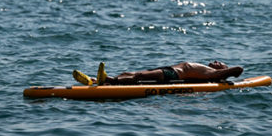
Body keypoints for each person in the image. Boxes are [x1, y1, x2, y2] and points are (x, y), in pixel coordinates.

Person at [72, 61, 243, 86]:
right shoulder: (209, 70)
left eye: (219, 62)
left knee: (139, 77)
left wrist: (225, 71)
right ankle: (96, 80)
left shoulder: (213, 73)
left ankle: (107, 80)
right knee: (129, 72)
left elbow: (238, 70)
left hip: (173, 75)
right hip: (168, 70)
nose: (215, 61)